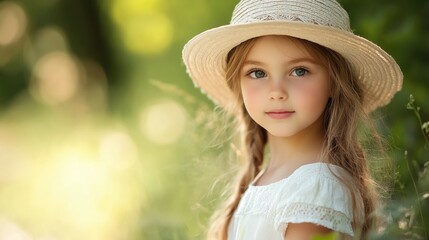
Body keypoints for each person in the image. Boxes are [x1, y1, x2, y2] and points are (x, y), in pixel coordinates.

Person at [182, 0, 403, 239]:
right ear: (239, 84)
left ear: (335, 82)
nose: (276, 91)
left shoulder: (316, 189)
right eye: (258, 73)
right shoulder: (269, 179)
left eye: (299, 71)